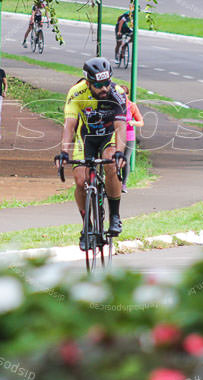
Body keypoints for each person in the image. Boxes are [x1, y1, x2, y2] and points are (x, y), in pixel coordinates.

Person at [55, 58, 128, 250]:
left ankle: (114, 216)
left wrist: (120, 153)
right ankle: (86, 226)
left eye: (107, 83)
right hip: (86, 138)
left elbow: (121, 128)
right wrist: (64, 152)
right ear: (88, 83)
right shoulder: (76, 93)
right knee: (80, 180)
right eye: (98, 85)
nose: (104, 88)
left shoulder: (118, 93)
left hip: (109, 137)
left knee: (111, 163)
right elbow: (70, 126)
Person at [118, 84, 143, 193]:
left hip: (129, 137)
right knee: (114, 159)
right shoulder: (115, 106)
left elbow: (141, 122)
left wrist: (133, 122)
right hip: (116, 137)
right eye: (119, 95)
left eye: (123, 95)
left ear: (127, 95)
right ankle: (113, 181)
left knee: (126, 159)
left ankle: (124, 184)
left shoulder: (131, 106)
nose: (121, 97)